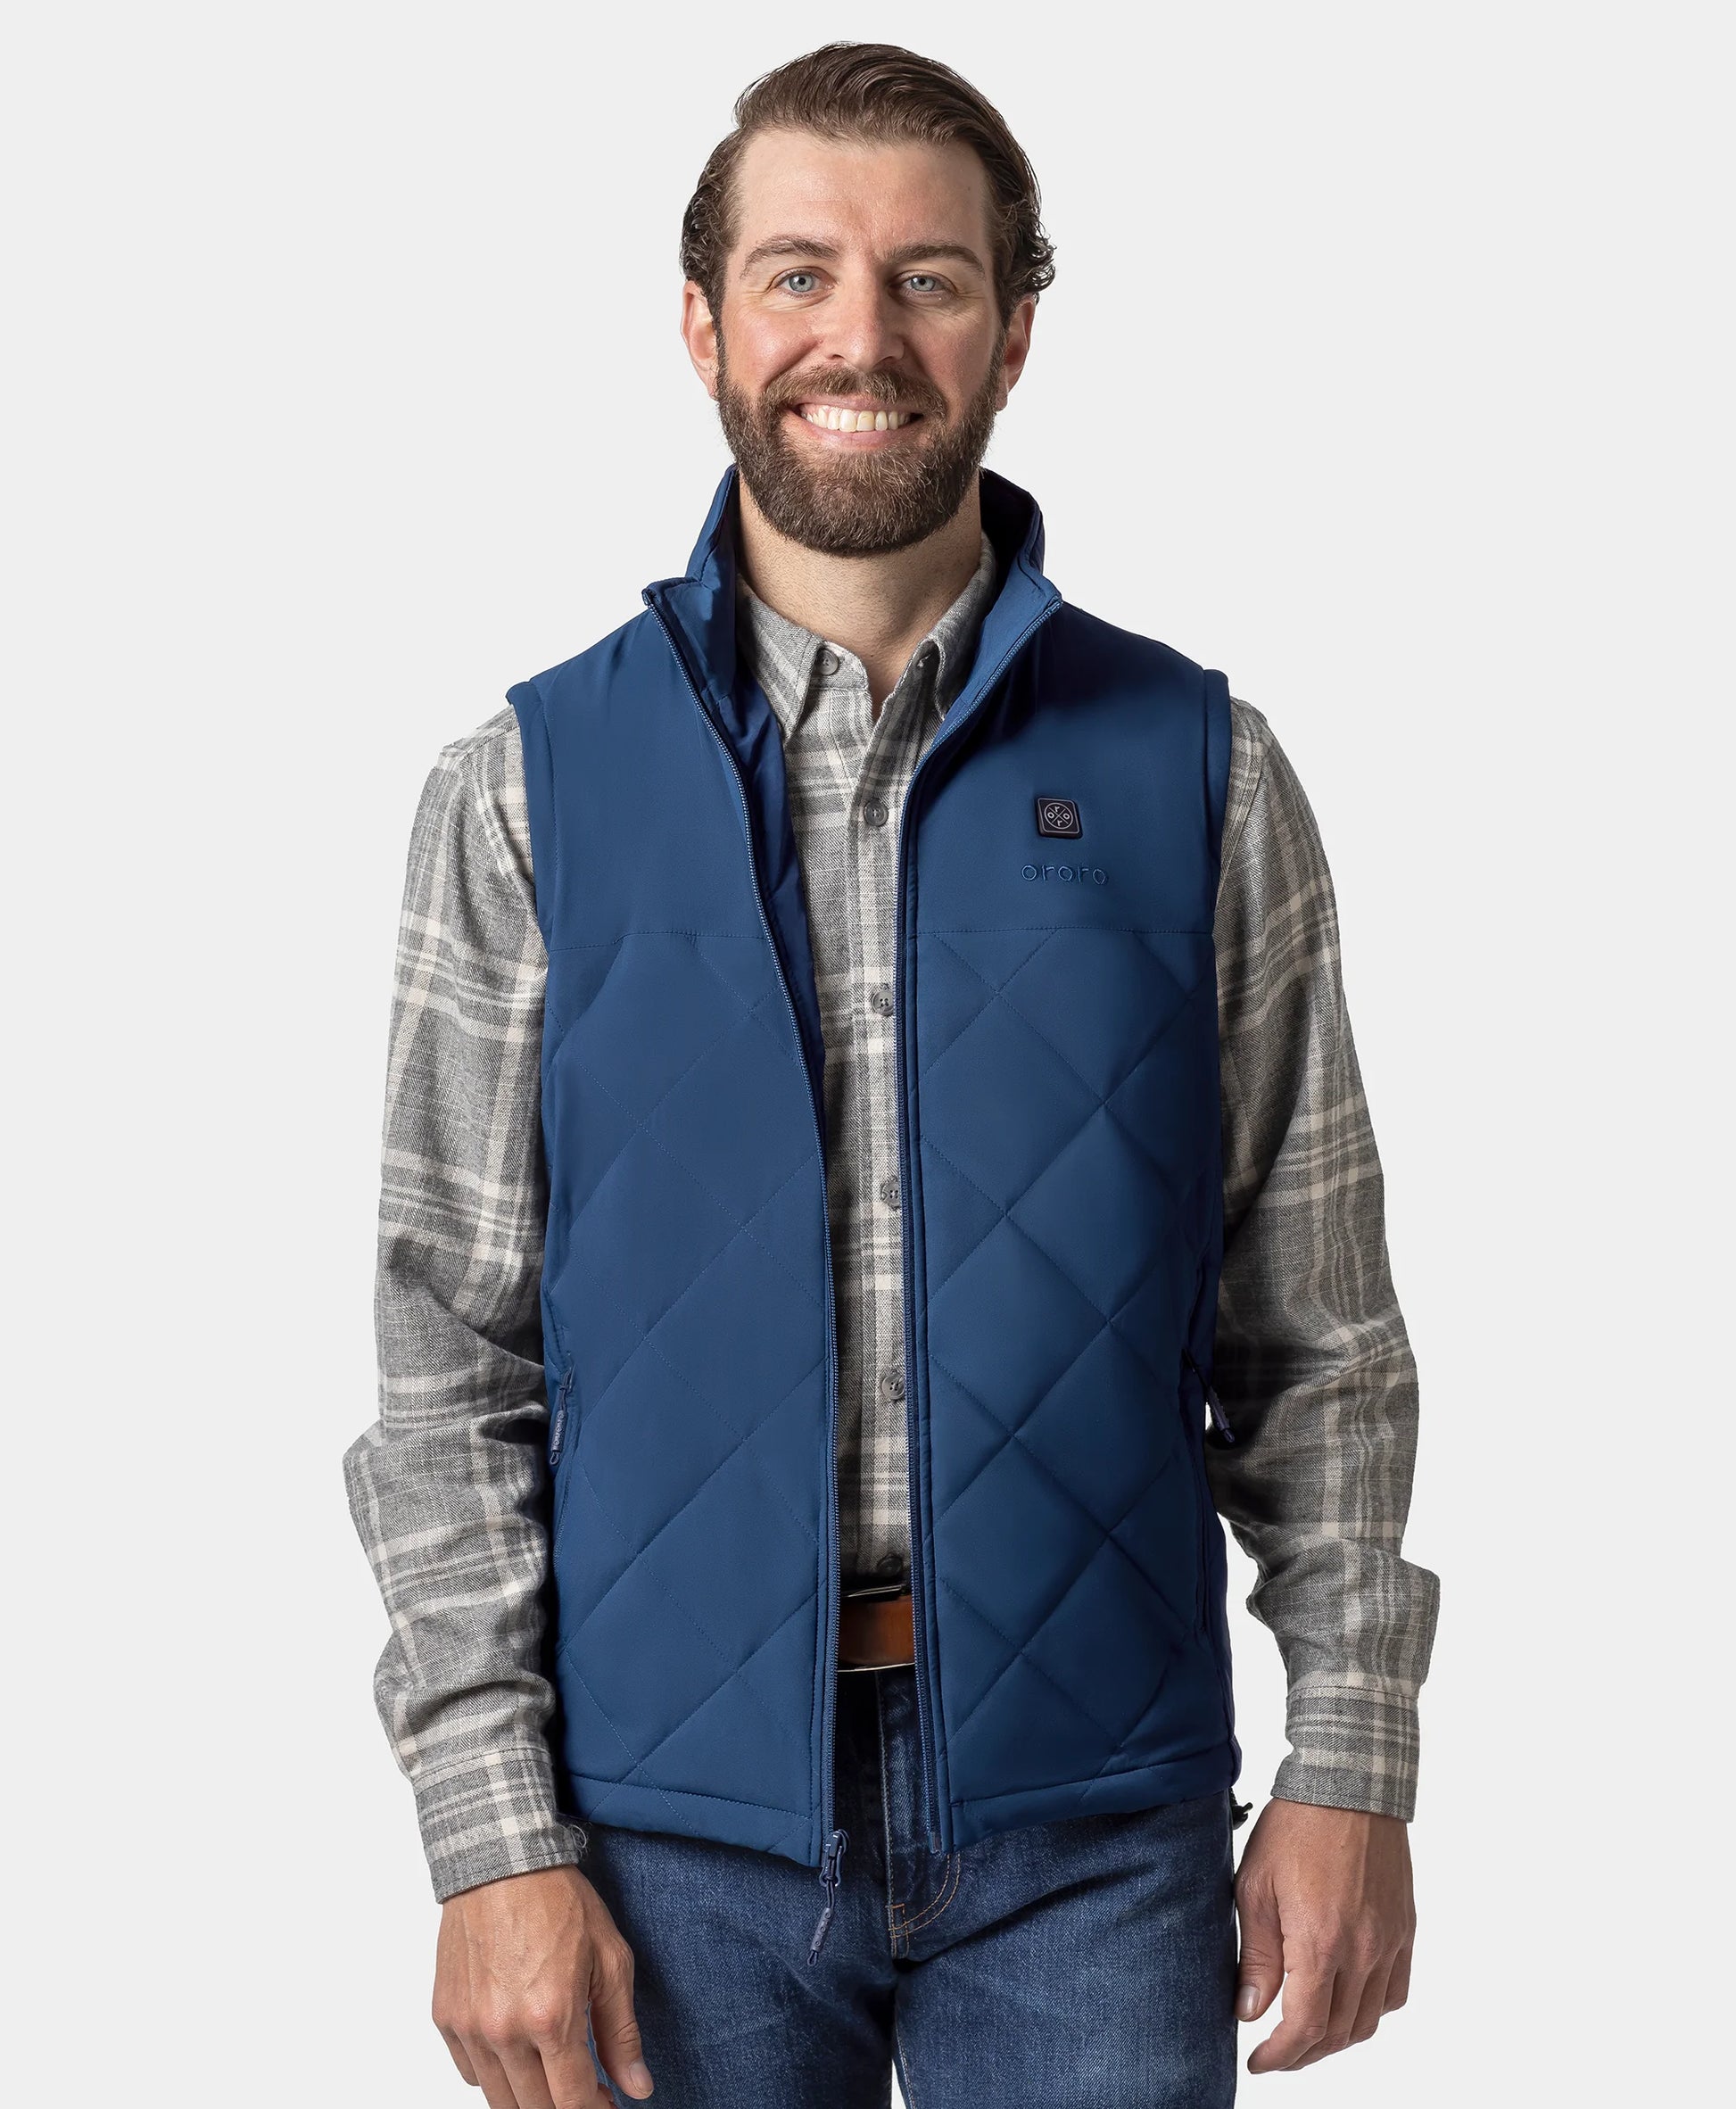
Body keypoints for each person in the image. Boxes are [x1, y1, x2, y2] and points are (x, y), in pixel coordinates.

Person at [343, 39, 1440, 2109]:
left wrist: (1352, 1756)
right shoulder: (523, 789)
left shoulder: (1200, 771)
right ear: (702, 326)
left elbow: (1318, 1328)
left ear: (1012, 333)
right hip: (661, 1847)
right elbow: (444, 1364)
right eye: (797, 275)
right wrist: (490, 1840)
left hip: (1098, 1841)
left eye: (928, 279)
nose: (859, 337)